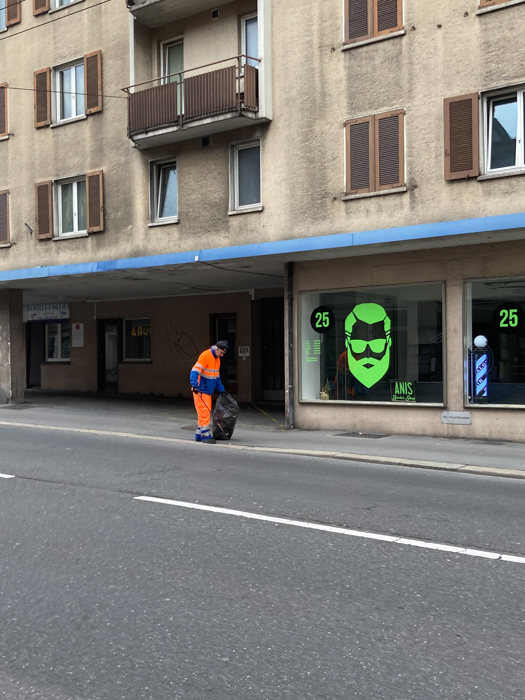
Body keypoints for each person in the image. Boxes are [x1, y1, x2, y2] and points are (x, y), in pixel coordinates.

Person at [190, 340, 228, 444]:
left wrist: (222, 390)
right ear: (216, 349)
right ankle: (205, 435)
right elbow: (194, 371)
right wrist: (195, 385)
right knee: (205, 413)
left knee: (203, 412)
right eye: (221, 352)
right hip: (201, 390)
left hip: (204, 390)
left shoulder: (217, 359)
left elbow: (216, 377)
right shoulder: (206, 356)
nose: (222, 355)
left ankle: (199, 434)